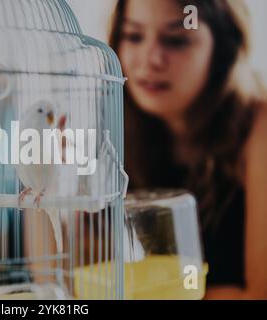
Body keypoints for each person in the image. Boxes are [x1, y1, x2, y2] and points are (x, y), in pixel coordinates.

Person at [109, 0, 267, 299]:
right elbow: (76, 279)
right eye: (133, 36)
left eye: (177, 40)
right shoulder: (112, 135)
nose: (151, 59)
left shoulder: (259, 128)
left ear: (223, 49)